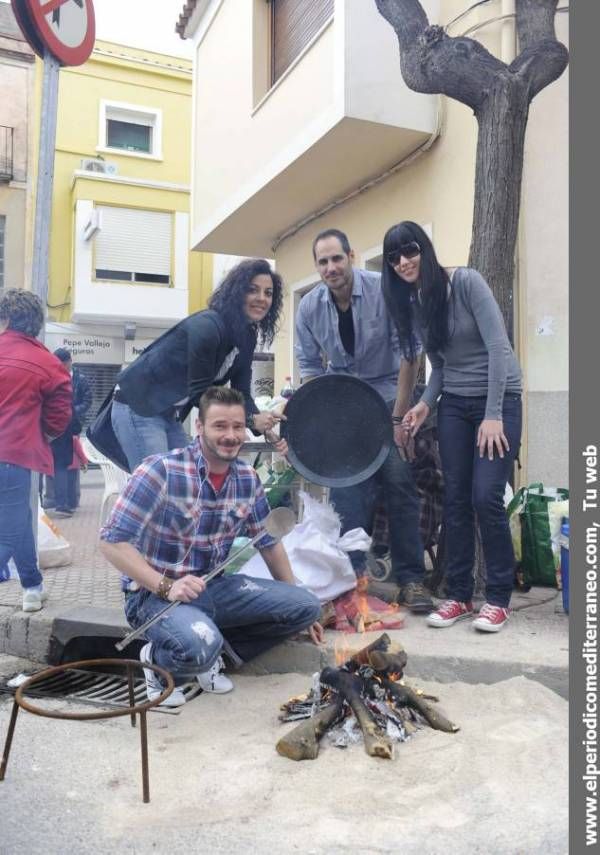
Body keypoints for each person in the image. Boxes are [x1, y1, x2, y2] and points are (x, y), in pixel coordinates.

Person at [100, 386, 323, 707]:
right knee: (196, 646)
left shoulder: (247, 479)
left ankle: (213, 655)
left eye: (237, 426)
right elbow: (111, 542)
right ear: (199, 428)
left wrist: (301, 608)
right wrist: (167, 586)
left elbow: (269, 544)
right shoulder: (160, 470)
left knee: (307, 605)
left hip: (214, 588)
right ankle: (158, 661)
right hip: (153, 596)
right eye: (220, 426)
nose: (230, 435)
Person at [382, 221, 522, 633]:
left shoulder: (466, 283)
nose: (404, 262)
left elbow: (499, 347)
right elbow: (440, 366)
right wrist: (425, 405)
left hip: (499, 402)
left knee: (486, 498)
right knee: (457, 500)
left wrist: (494, 414)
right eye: (394, 258)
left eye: (409, 251)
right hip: (456, 407)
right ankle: (459, 595)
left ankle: (497, 599)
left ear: (425, 248)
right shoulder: (417, 304)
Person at [294, 228, 433, 614]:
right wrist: (323, 418)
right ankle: (352, 583)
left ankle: (411, 580)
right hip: (343, 405)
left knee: (399, 483)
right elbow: (309, 366)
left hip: (389, 394)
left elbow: (409, 354)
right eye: (323, 262)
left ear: (351, 255)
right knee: (345, 493)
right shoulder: (309, 308)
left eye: (337, 258)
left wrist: (397, 417)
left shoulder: (384, 290)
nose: (331, 267)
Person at [111, 258, 286, 472]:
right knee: (157, 482)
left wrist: (262, 426)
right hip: (138, 404)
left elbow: (242, 393)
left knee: (190, 477)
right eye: (253, 290)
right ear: (237, 292)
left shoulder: (247, 336)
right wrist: (250, 420)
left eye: (268, 293)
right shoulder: (208, 326)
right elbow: (200, 394)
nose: (262, 298)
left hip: (166, 412)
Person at [0, 289, 72, 611]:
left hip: (14, 453)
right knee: (13, 524)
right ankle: (30, 585)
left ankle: (32, 586)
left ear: (5, 319)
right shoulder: (48, 362)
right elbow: (59, 417)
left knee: (22, 520)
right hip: (16, 455)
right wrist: (41, 434)